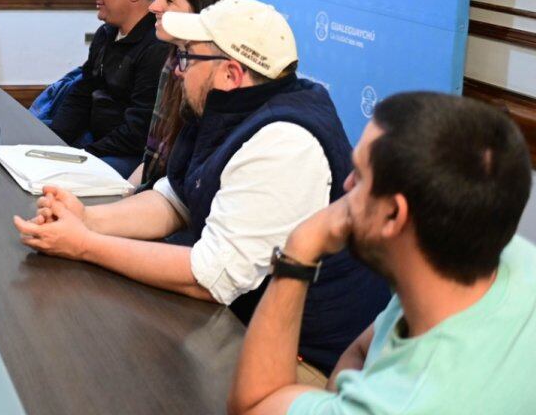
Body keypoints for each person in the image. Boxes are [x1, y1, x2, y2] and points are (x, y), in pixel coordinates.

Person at [14, 0, 389, 375]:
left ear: (230, 73)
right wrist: (88, 218)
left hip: (306, 357)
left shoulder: (285, 142)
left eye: (188, 57)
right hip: (241, 320)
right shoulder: (223, 104)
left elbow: (211, 279)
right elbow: (175, 200)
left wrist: (85, 245)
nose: (177, 69)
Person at [229, 92, 536, 414]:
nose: (347, 186)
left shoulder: (401, 405)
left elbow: (253, 405)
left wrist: (300, 250)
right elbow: (363, 350)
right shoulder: (495, 249)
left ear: (394, 215)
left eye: (359, 176)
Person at [49, 0, 170, 177]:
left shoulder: (156, 48)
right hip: (95, 140)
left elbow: (138, 130)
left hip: (128, 154)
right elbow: (82, 93)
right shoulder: (106, 33)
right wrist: (52, 143)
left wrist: (82, 155)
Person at [134, 0, 237, 189]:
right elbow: (154, 156)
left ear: (202, 11)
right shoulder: (173, 58)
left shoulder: (217, 75)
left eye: (168, 0)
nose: (153, 7)